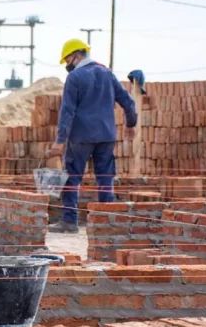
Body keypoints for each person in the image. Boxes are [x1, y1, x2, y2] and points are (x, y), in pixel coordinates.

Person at [47, 39, 138, 234]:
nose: (67, 65)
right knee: (105, 177)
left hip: (81, 136)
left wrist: (60, 141)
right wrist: (131, 124)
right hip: (106, 135)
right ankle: (107, 223)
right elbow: (128, 101)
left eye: (68, 60)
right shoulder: (107, 73)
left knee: (72, 178)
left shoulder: (75, 77)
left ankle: (69, 221)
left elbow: (67, 112)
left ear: (77, 56)